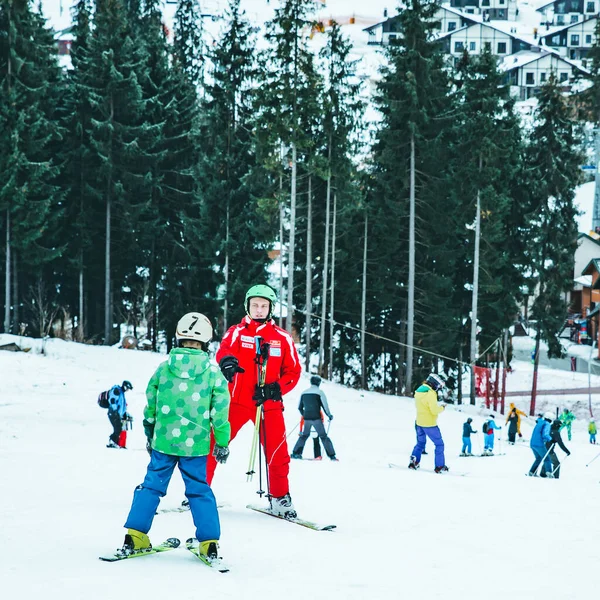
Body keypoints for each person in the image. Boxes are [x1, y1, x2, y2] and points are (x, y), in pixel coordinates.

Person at [118, 312, 231, 562]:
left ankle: (135, 535)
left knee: (151, 486)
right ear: (207, 340)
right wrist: (222, 442)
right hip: (196, 446)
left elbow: (151, 406)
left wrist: (150, 433)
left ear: (178, 337)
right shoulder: (213, 374)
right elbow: (221, 413)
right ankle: (209, 543)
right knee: (199, 490)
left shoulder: (163, 370)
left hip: (164, 443)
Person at [209, 284, 302, 518]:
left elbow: (293, 372)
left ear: (270, 308)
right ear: (247, 306)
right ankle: (198, 491)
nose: (259, 310)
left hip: (269, 405)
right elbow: (224, 351)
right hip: (237, 402)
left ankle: (280, 498)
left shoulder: (282, 338)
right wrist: (227, 363)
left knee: (277, 452)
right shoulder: (237, 332)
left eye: (263, 306)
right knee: (213, 443)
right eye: (254, 305)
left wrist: (275, 389)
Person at [291, 375, 337, 461]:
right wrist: (329, 415)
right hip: (316, 419)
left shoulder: (304, 392)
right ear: (319, 383)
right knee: (323, 436)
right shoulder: (320, 392)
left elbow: (299, 407)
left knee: (304, 436)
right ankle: (332, 456)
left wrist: (304, 415)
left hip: (307, 419)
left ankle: (296, 453)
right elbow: (325, 406)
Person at [408, 373, 448, 473]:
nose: (438, 388)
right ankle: (439, 466)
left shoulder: (419, 390)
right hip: (429, 424)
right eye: (438, 386)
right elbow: (434, 410)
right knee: (439, 444)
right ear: (434, 384)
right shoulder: (430, 393)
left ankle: (414, 462)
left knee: (420, 443)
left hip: (419, 422)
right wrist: (442, 408)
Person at [105, 380, 133, 449]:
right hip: (113, 412)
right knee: (118, 428)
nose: (127, 390)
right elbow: (112, 400)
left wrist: (126, 414)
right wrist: (114, 410)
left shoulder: (121, 393)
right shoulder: (117, 390)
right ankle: (112, 441)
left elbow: (122, 407)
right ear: (125, 386)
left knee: (118, 428)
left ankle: (115, 443)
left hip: (116, 413)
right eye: (128, 388)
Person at [528, 411, 553, 477]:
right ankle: (549, 472)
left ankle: (532, 472)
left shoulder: (540, 422)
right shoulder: (547, 424)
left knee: (538, 458)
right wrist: (551, 439)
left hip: (532, 443)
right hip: (539, 444)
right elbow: (545, 434)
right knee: (547, 459)